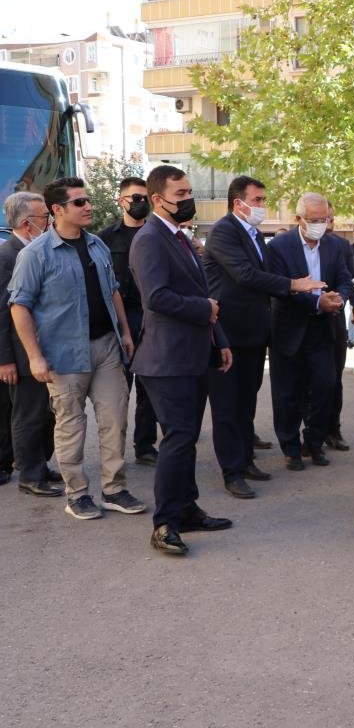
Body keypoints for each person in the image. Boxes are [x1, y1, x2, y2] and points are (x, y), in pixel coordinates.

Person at [9, 177, 143, 520]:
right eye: (79, 202)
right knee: (71, 425)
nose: (88, 207)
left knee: (115, 420)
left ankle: (115, 489)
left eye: (87, 201)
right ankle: (78, 494)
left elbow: (112, 290)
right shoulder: (34, 254)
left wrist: (125, 332)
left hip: (107, 348)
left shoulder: (96, 244)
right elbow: (19, 306)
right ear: (57, 210)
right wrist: (35, 356)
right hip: (63, 356)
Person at [130, 165, 234, 555]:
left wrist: (218, 339)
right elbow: (156, 298)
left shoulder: (180, 237)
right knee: (176, 439)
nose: (188, 199)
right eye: (181, 193)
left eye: (190, 191)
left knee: (186, 438)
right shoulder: (150, 239)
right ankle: (165, 524)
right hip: (166, 360)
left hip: (194, 355)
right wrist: (204, 310)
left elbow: (205, 296)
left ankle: (187, 509)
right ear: (158, 199)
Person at [203, 176, 324, 498]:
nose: (261, 206)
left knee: (246, 401)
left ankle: (245, 460)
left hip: (254, 332)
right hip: (227, 332)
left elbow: (265, 275)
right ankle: (232, 472)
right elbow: (245, 275)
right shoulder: (224, 231)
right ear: (237, 203)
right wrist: (294, 284)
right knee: (228, 406)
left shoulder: (254, 233)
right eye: (256, 200)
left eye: (262, 200)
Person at [264, 193, 353, 471]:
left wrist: (338, 298)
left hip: (323, 328)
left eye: (324, 219)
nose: (320, 225)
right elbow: (280, 288)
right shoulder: (279, 246)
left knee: (325, 386)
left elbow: (344, 278)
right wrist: (317, 301)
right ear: (298, 219)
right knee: (287, 392)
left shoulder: (335, 246)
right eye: (314, 220)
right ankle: (290, 448)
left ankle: (314, 443)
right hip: (289, 328)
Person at [98, 176, 161, 467]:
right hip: (121, 320)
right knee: (118, 390)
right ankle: (116, 450)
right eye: (134, 198)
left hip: (152, 318)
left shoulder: (157, 234)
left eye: (144, 198)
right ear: (121, 201)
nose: (140, 203)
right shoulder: (104, 239)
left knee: (149, 387)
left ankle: (145, 445)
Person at [0, 193, 60, 496]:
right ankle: (29, 475)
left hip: (42, 348)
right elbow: (2, 312)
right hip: (21, 355)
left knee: (44, 414)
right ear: (27, 224)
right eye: (44, 217)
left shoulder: (36, 251)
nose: (48, 222)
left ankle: (40, 466)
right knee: (28, 415)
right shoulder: (7, 256)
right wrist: (5, 360)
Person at [323, 204, 354, 453]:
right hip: (303, 322)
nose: (328, 223)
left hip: (334, 320)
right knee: (308, 382)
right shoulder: (289, 246)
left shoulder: (341, 246)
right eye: (323, 218)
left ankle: (332, 430)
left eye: (331, 218)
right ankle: (309, 433)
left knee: (335, 379)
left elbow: (352, 278)